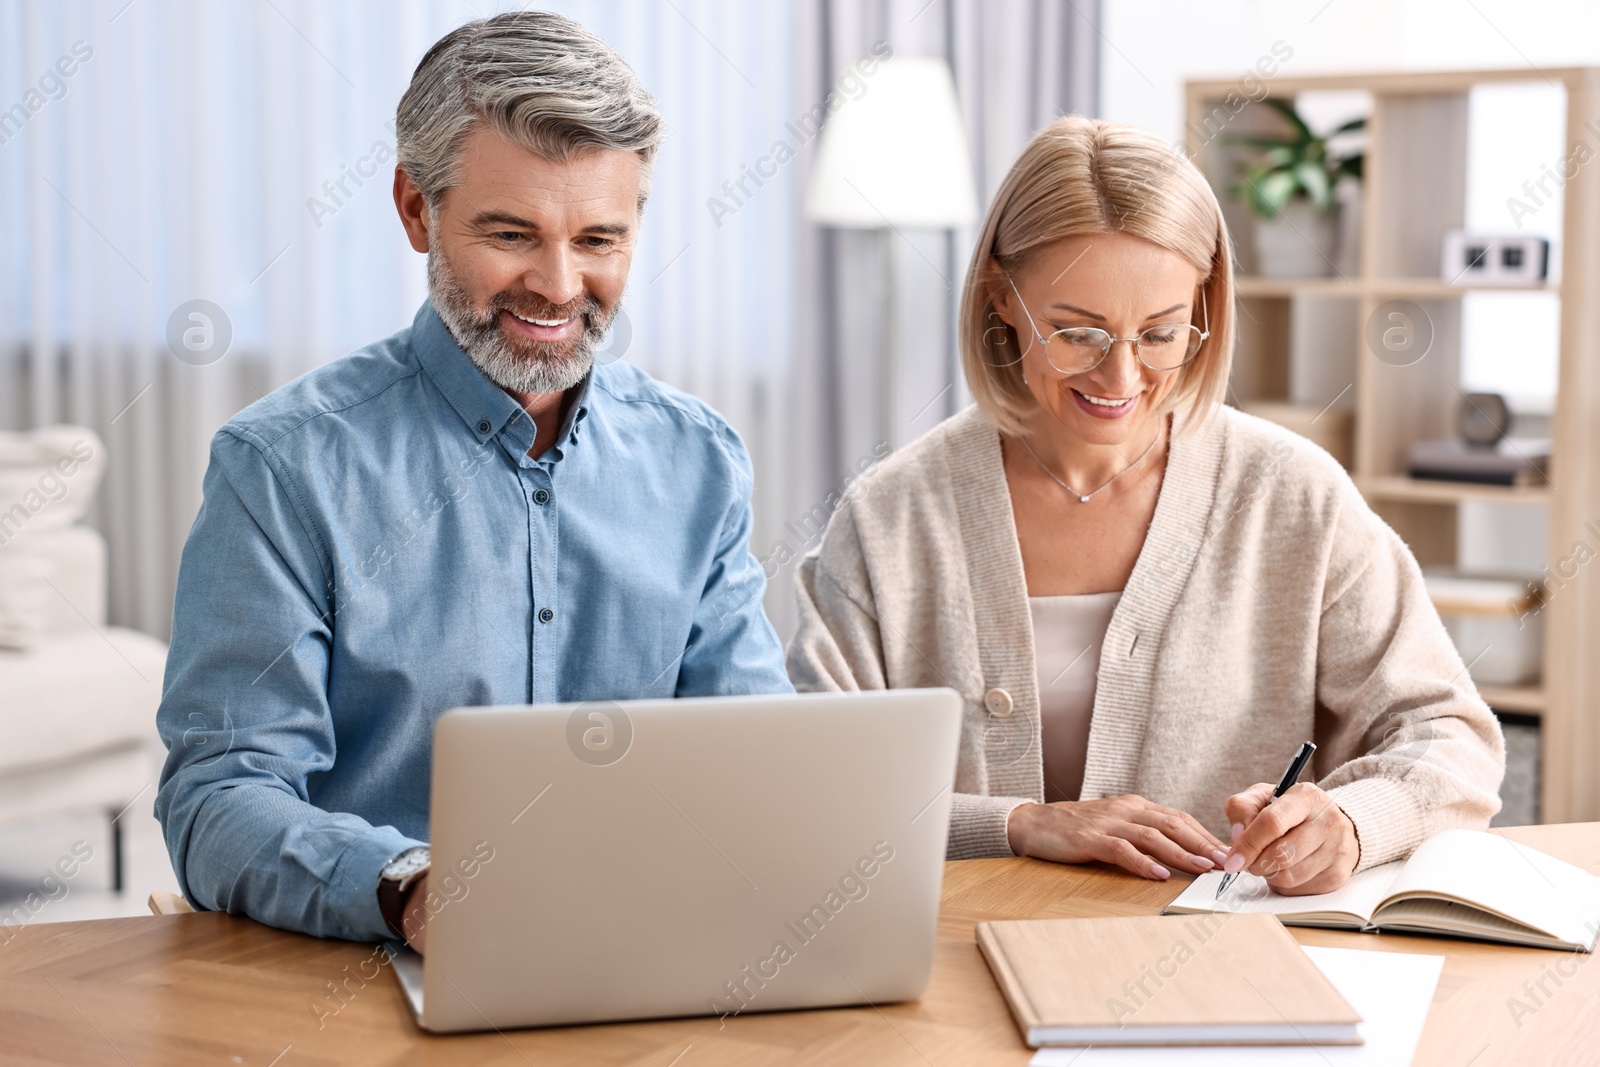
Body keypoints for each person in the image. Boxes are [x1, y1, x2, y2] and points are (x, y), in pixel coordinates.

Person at [155, 11, 791, 949]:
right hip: (371, 974)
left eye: (600, 240)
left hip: (649, 957)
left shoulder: (696, 461)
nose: (560, 285)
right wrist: (407, 885)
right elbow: (217, 797)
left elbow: (757, 762)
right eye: (512, 234)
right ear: (417, 209)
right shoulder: (283, 469)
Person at [786, 116, 1504, 896]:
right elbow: (807, 789)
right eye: (1078, 333)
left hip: (1222, 971)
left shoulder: (1294, 496)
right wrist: (1019, 823)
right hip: (955, 958)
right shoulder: (890, 518)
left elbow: (1451, 735)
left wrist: (1353, 821)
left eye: (1162, 333)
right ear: (1001, 297)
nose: (1121, 377)